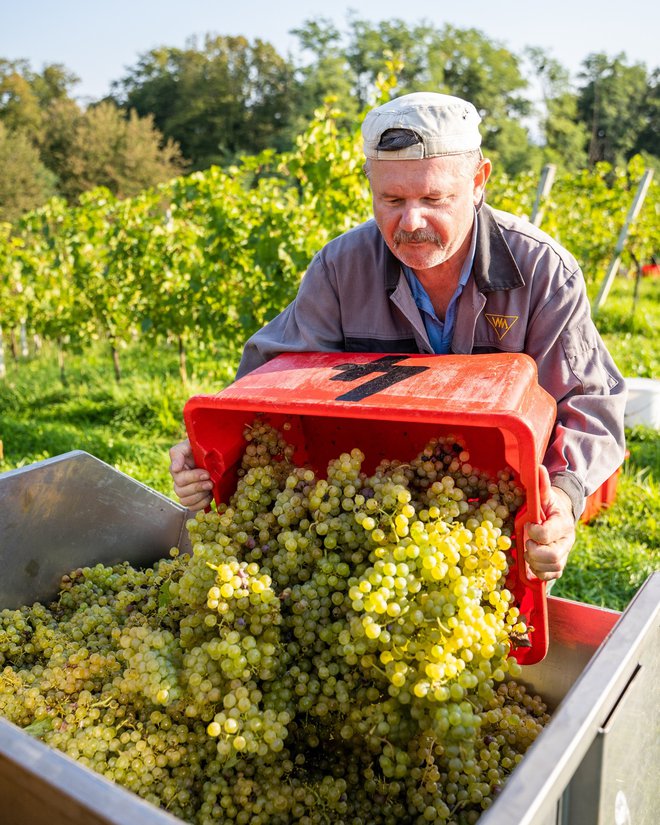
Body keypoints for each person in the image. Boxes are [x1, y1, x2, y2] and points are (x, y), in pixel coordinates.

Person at [170, 92, 627, 583]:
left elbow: (588, 402)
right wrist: (208, 451)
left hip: (496, 513)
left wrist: (562, 496)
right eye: (391, 200)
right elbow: (268, 381)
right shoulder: (341, 269)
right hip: (376, 509)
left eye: (433, 199)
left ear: (477, 182)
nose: (410, 223)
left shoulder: (540, 271)